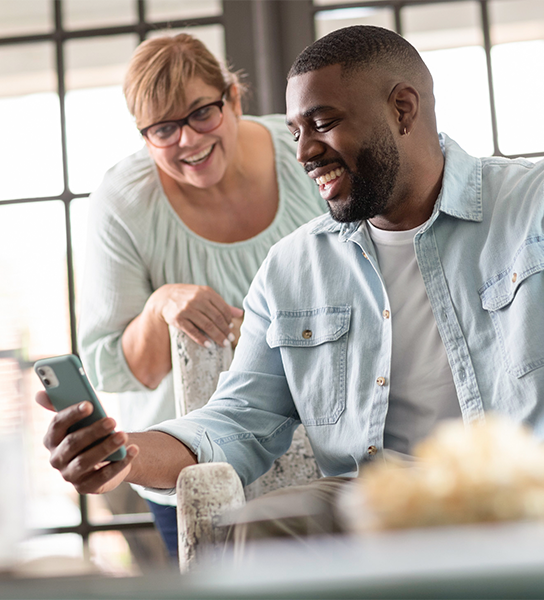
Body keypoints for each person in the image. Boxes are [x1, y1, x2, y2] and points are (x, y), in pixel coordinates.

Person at [39, 25, 544, 546]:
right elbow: (237, 422)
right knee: (257, 529)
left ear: (402, 109)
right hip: (381, 502)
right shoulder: (291, 268)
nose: (303, 153)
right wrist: (126, 453)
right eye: (295, 133)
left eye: (322, 124)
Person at [75, 33, 326, 557]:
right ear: (144, 136)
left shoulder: (305, 154)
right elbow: (111, 370)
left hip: (324, 446)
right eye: (164, 129)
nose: (187, 140)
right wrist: (159, 305)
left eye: (201, 113)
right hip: (190, 464)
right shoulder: (122, 204)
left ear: (233, 97)